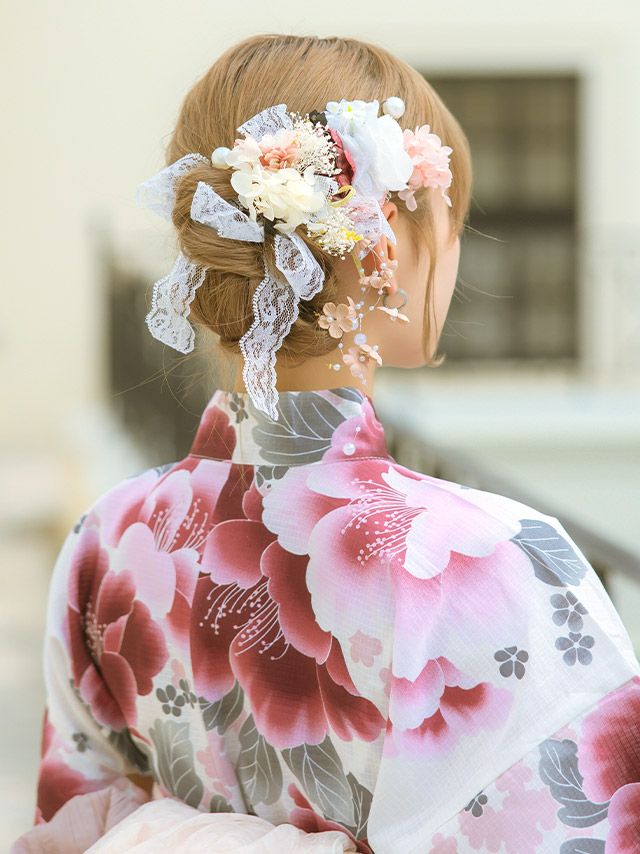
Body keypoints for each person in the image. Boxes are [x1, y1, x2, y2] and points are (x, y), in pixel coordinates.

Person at [12, 32, 640, 854]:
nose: (456, 250)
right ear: (386, 244)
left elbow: (69, 829)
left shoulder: (109, 539)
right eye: (454, 219)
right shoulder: (494, 563)